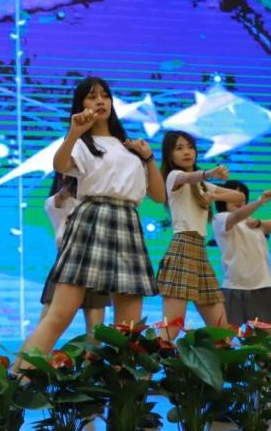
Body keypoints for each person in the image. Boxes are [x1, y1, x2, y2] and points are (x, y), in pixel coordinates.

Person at [15, 76, 166, 368]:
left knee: (129, 328)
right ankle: (17, 378)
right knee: (59, 314)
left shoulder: (130, 147)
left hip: (127, 222)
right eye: (92, 96)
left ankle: (122, 390)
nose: (100, 101)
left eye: (105, 96)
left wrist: (148, 158)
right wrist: (74, 133)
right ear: (81, 104)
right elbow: (60, 165)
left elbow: (159, 196)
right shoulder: (82, 143)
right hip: (92, 217)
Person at [155, 131, 244, 339]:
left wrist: (213, 195)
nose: (187, 152)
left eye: (190, 147)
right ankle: (148, 361)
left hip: (199, 253)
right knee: (171, 329)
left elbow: (239, 196)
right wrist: (209, 173)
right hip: (182, 249)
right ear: (170, 156)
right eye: (179, 148)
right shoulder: (173, 177)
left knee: (222, 332)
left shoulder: (203, 186)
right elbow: (188, 177)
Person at [212, 180, 271, 332]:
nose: (239, 199)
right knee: (227, 335)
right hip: (237, 285)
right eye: (234, 195)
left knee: (266, 336)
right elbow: (236, 217)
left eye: (242, 196)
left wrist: (259, 223)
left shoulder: (251, 222)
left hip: (265, 283)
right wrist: (260, 201)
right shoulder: (221, 219)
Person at [37, 174, 108, 337]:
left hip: (95, 259)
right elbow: (56, 205)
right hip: (68, 259)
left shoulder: (96, 200)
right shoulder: (56, 202)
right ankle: (31, 353)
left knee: (95, 324)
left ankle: (93, 354)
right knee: (50, 317)